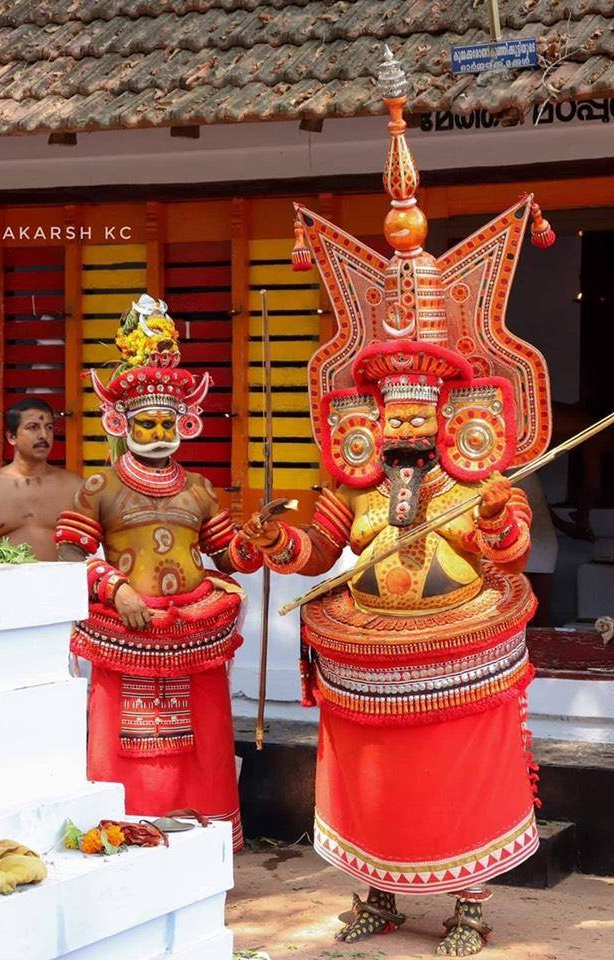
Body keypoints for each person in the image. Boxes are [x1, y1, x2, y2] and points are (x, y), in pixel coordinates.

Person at [243, 51, 553, 956]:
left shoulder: (475, 477)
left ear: (458, 404)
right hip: (365, 653)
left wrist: (498, 520)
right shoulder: (356, 484)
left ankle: (466, 905)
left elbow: (509, 550)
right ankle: (377, 891)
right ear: (366, 408)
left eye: (423, 396)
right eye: (390, 398)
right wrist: (282, 544)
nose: (405, 413)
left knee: (460, 779)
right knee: (372, 785)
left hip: (459, 640)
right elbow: (320, 545)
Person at [56, 295, 263, 850]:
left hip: (193, 635)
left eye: (166, 421)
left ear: (184, 422)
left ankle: (204, 848)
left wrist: (257, 541)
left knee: (206, 745)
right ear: (123, 421)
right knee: (119, 747)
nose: (156, 431)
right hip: (124, 632)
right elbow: (71, 555)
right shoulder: (100, 487)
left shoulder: (199, 489)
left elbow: (227, 556)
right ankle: (123, 840)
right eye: (145, 422)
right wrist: (114, 587)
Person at [0, 398, 81, 561]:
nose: (44, 435)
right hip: (4, 584)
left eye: (49, 427)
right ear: (11, 437)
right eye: (33, 427)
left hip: (61, 583)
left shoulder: (75, 486)